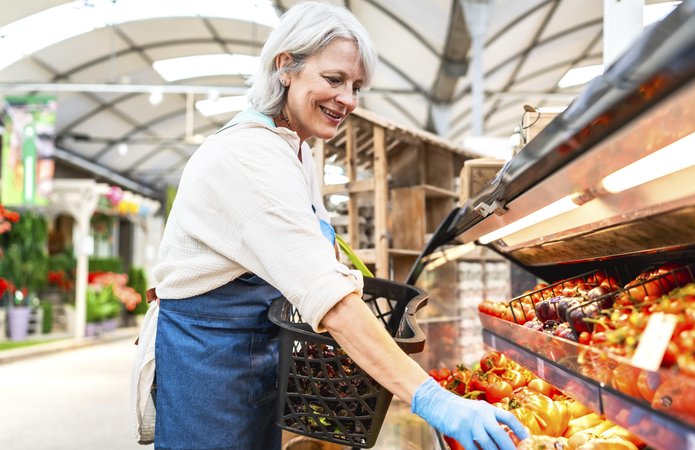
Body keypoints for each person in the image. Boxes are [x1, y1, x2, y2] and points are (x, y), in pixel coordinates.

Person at [147, 2, 528, 449]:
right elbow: (327, 296)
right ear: (285, 66)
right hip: (210, 371)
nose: (348, 99)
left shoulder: (297, 150)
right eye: (334, 80)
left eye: (356, 86)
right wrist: (431, 397)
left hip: (253, 362)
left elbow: (320, 256)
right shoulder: (248, 158)